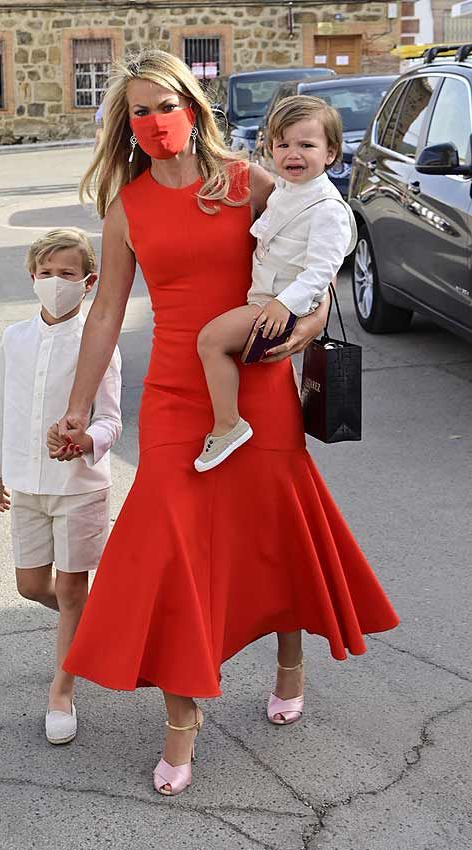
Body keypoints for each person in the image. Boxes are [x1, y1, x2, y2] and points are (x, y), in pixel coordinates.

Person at [50, 49, 398, 798]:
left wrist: (305, 329)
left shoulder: (249, 180)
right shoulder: (127, 208)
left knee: (270, 525)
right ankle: (183, 721)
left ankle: (289, 663)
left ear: (190, 106)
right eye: (137, 111)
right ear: (127, 125)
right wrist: (77, 405)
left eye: (162, 105)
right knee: (172, 545)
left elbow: (315, 245)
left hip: (258, 380)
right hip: (177, 395)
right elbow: (106, 311)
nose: (152, 122)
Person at [0, 228, 122, 745]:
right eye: (46, 274)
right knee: (31, 585)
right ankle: (85, 628)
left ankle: (62, 690)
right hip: (25, 481)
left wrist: (88, 439)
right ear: (31, 277)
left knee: (69, 586)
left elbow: (111, 419)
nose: (55, 283)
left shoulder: (97, 340)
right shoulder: (14, 338)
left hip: (80, 485)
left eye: (67, 275)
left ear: (88, 283)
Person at [194, 94, 357, 471]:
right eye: (282, 144)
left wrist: (285, 305)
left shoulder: (329, 209)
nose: (292, 153)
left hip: (278, 307)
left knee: (211, 340)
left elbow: (321, 272)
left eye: (306, 145)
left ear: (331, 153)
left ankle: (228, 424)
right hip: (267, 300)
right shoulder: (285, 190)